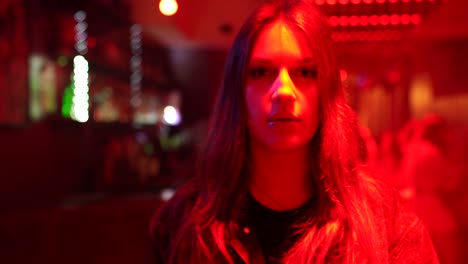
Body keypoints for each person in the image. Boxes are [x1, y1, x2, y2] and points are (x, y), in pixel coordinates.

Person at [148, 0, 439, 263]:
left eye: (305, 72)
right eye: (261, 72)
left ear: (326, 92)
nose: (283, 91)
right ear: (237, 92)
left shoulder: (387, 225)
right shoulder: (183, 223)